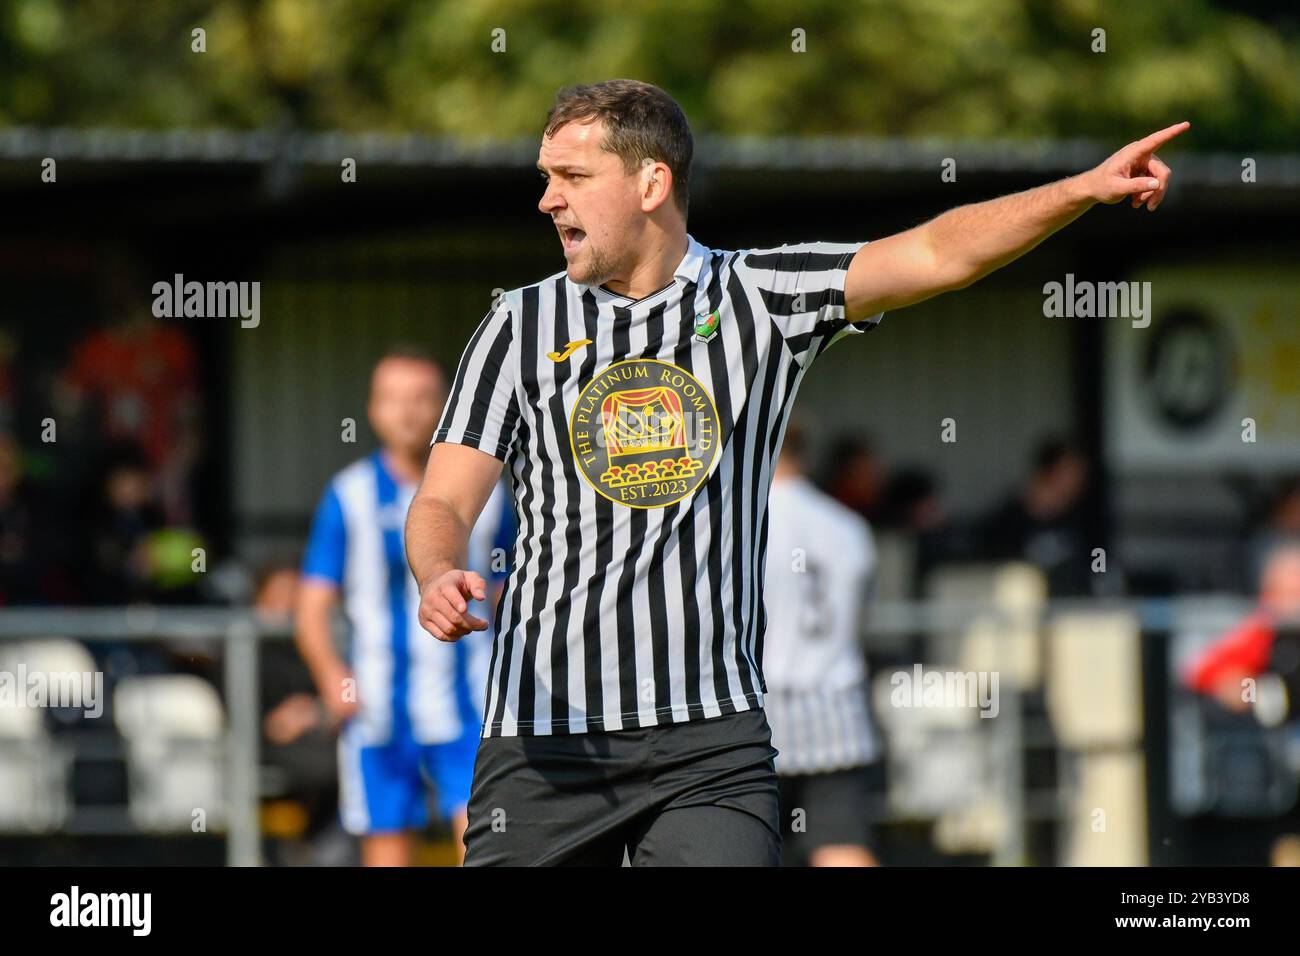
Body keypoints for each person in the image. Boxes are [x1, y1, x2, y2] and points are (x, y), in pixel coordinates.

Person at [405, 79, 1187, 866]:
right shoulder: (518, 324)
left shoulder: (762, 296)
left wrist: (1082, 189)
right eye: (545, 178)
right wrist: (439, 569)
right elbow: (443, 496)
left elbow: (936, 253)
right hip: (545, 741)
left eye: (571, 178)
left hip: (710, 743)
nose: (547, 200)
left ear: (652, 183)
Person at [296, 348, 511, 867]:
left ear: (444, 405)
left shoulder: (491, 493)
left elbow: (510, 590)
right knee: (388, 851)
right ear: (372, 410)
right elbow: (311, 606)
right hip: (378, 710)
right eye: (393, 399)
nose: (408, 413)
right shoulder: (348, 496)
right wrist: (332, 679)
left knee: (485, 845)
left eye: (421, 399)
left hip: (470, 707)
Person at [763, 420, 883, 866]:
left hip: (757, 719)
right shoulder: (847, 525)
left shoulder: (743, 522)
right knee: (841, 846)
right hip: (835, 715)